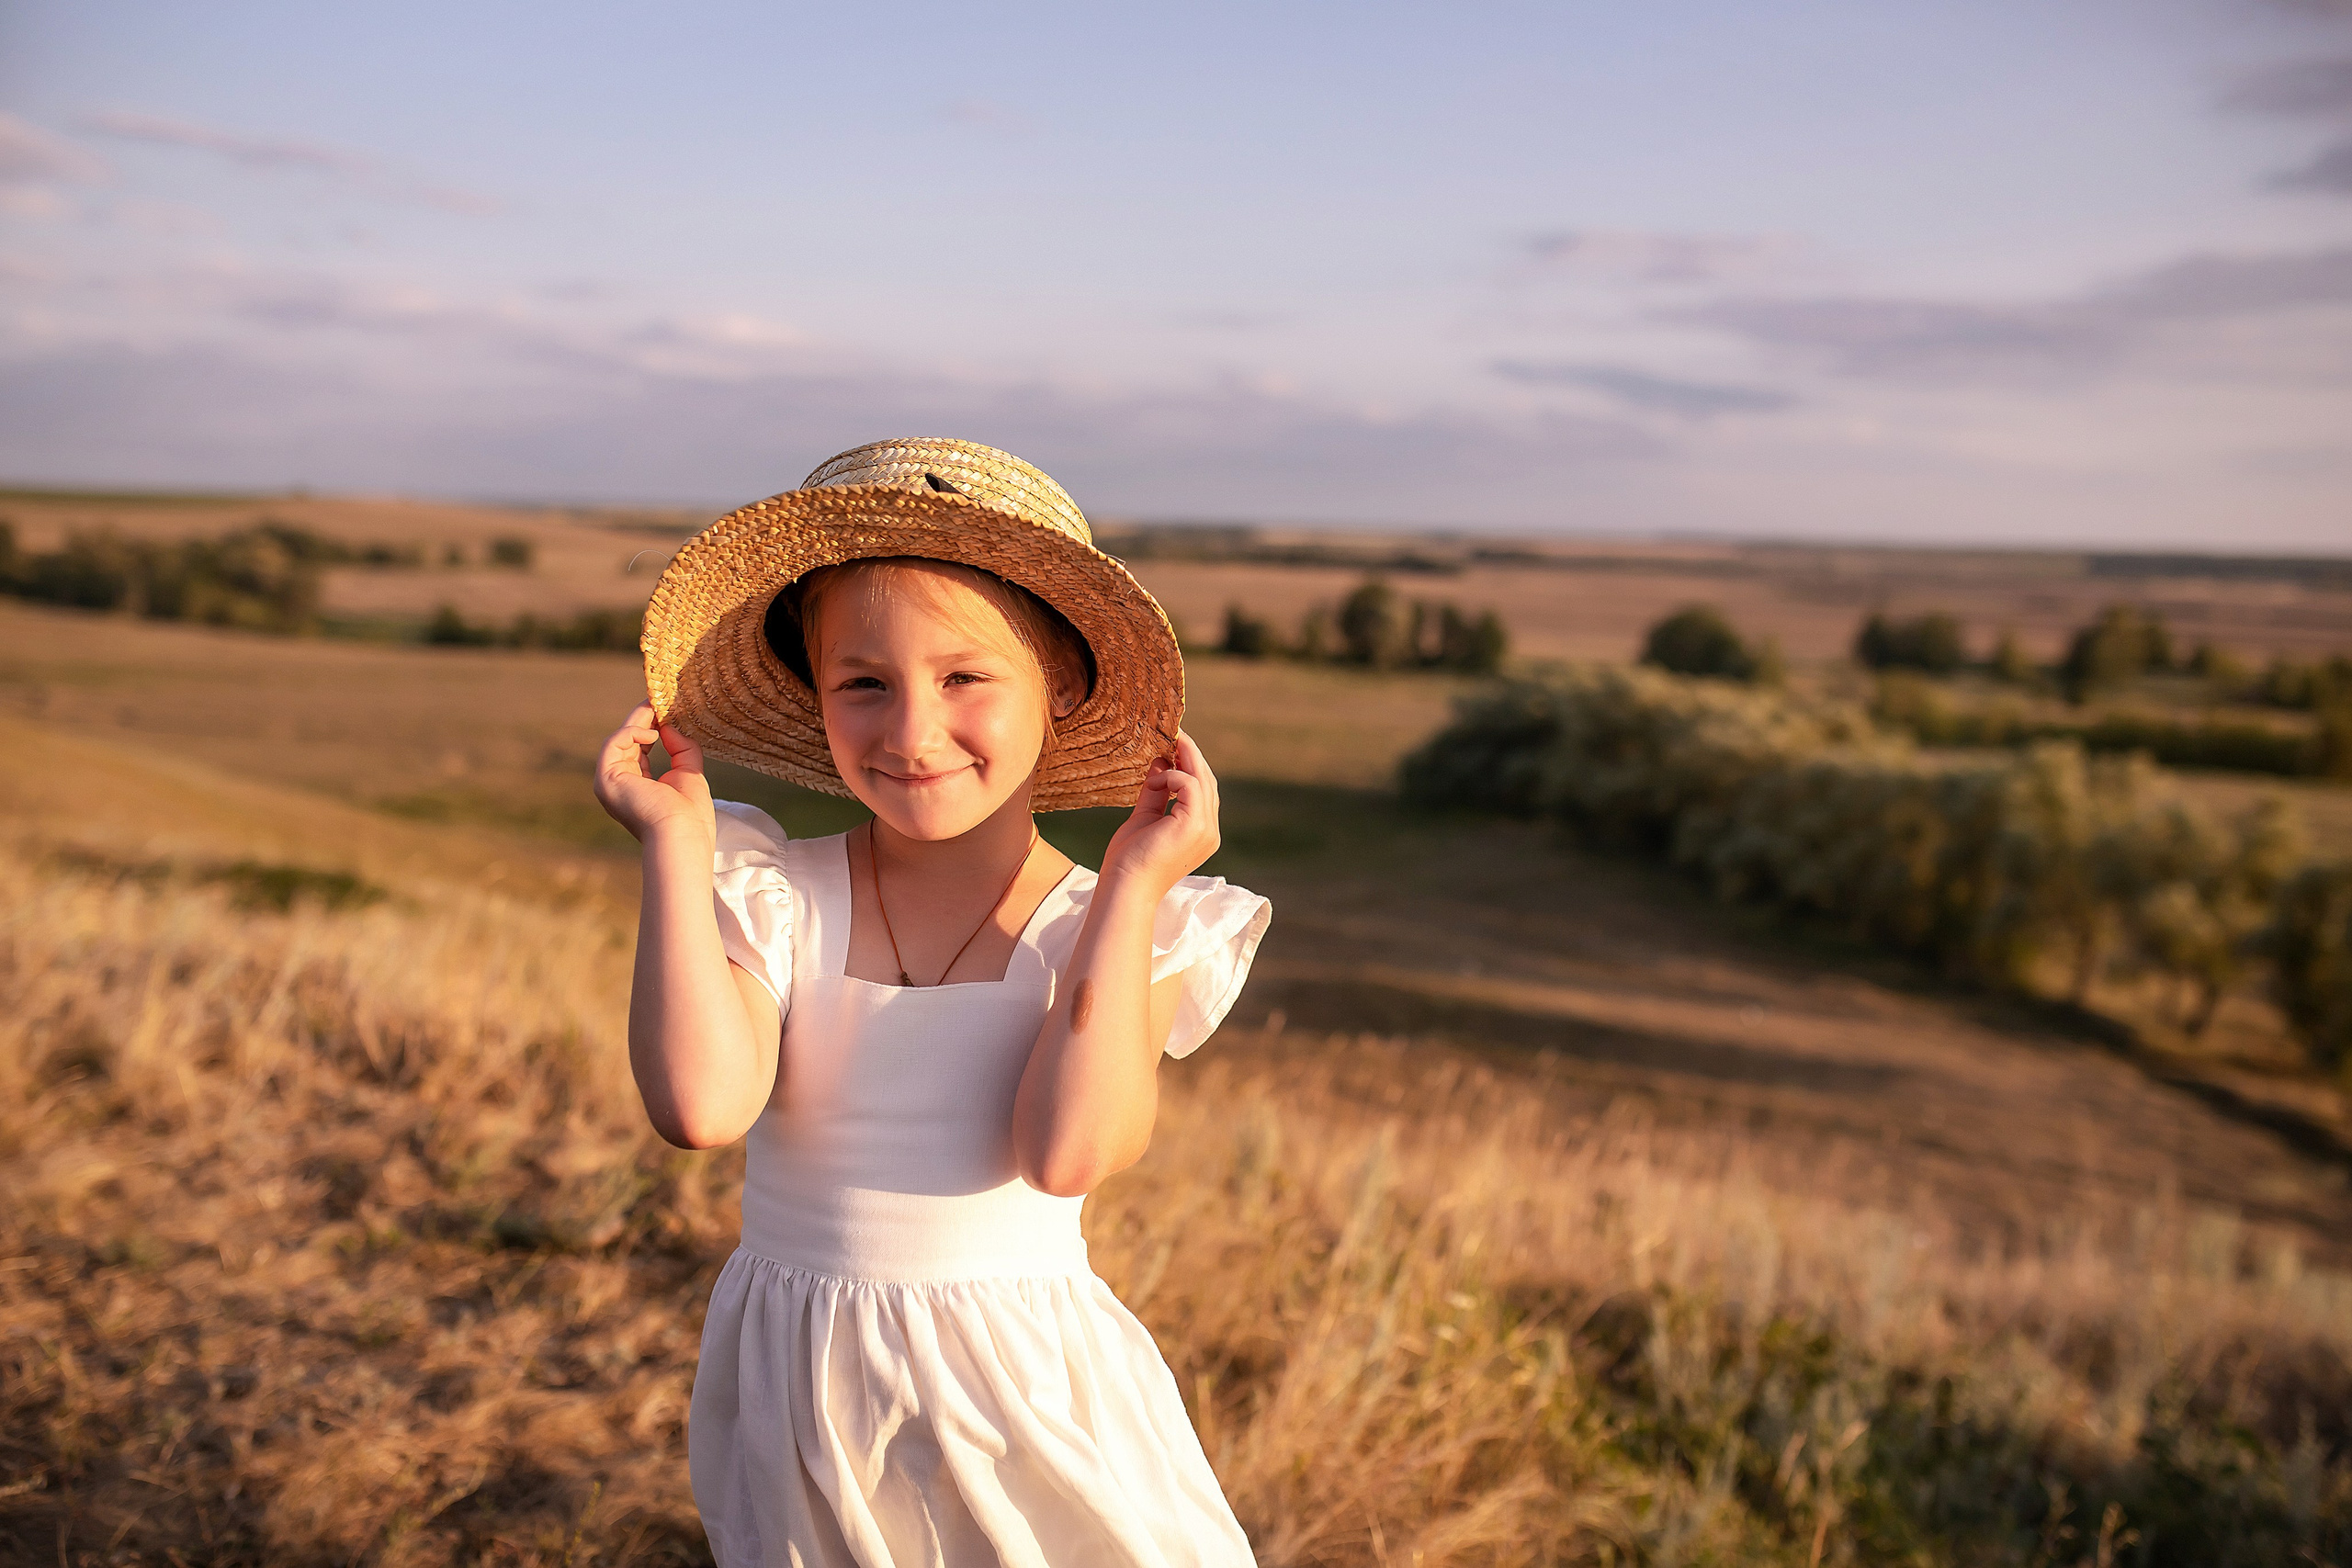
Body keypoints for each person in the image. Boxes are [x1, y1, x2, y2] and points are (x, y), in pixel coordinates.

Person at [593, 439, 1271, 1565]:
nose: (911, 734)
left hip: (1025, 1404)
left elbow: (1067, 1152)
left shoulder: (1122, 929)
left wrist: (1132, 884)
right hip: (808, 1388)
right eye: (863, 684)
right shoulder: (776, 896)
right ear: (815, 696)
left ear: (1058, 687)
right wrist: (673, 843)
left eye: (964, 679)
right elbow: (701, 1109)